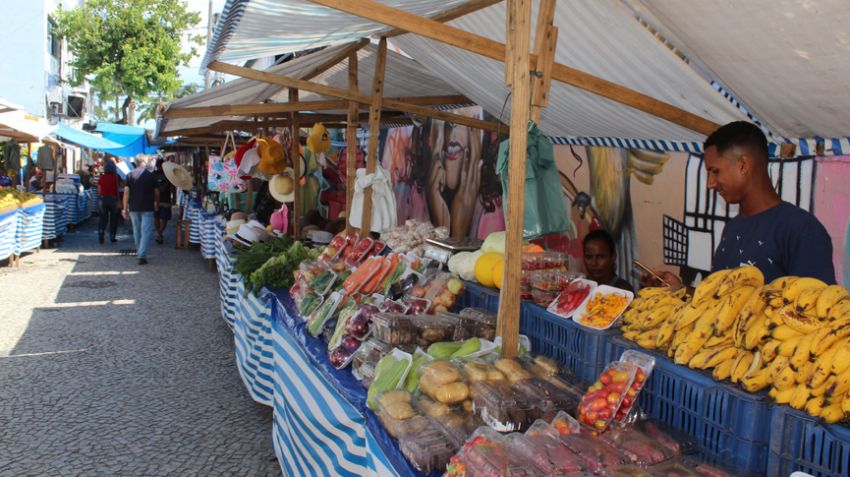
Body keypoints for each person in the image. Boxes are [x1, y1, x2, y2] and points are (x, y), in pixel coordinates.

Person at [653, 121, 835, 288]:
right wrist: (682, 291)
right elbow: (721, 301)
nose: (710, 183)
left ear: (743, 165)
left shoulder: (802, 229)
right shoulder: (733, 226)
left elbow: (815, 313)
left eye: (715, 171)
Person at [122, 155, 158, 265]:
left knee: (137, 230)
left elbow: (126, 193)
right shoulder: (151, 176)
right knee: (146, 231)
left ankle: (140, 252)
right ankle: (141, 255)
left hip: (134, 206)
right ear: (145, 162)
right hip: (147, 206)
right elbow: (156, 192)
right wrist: (156, 202)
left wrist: (124, 208)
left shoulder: (129, 175)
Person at [97, 159, 121, 243]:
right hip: (113, 199)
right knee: (114, 218)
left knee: (103, 217)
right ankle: (112, 236)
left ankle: (101, 231)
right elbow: (122, 186)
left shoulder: (102, 177)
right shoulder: (116, 177)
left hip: (103, 199)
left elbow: (99, 190)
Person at [153, 158, 174, 244]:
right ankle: (160, 234)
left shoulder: (152, 175)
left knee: (156, 217)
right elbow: (173, 187)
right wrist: (174, 197)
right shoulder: (168, 175)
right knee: (163, 218)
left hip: (154, 200)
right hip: (166, 199)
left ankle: (159, 234)